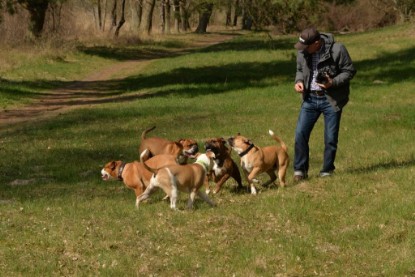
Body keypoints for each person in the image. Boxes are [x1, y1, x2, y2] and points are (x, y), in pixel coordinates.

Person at [293, 27, 356, 182]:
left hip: (331, 99)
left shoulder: (337, 49)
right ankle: (300, 170)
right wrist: (299, 81)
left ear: (316, 43)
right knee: (300, 134)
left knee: (330, 138)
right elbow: (300, 70)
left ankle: (327, 170)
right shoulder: (303, 51)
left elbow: (349, 71)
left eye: (306, 47)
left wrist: (332, 82)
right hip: (309, 99)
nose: (303, 50)